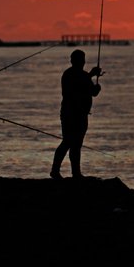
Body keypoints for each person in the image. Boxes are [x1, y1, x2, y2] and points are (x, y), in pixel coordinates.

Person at [50, 49, 102, 179]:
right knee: (67, 142)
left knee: (77, 144)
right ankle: (55, 171)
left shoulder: (84, 75)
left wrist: (97, 88)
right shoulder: (69, 74)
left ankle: (76, 173)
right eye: (79, 59)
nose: (82, 62)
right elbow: (76, 86)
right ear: (72, 61)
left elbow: (92, 93)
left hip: (82, 114)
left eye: (83, 59)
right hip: (70, 114)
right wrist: (90, 75)